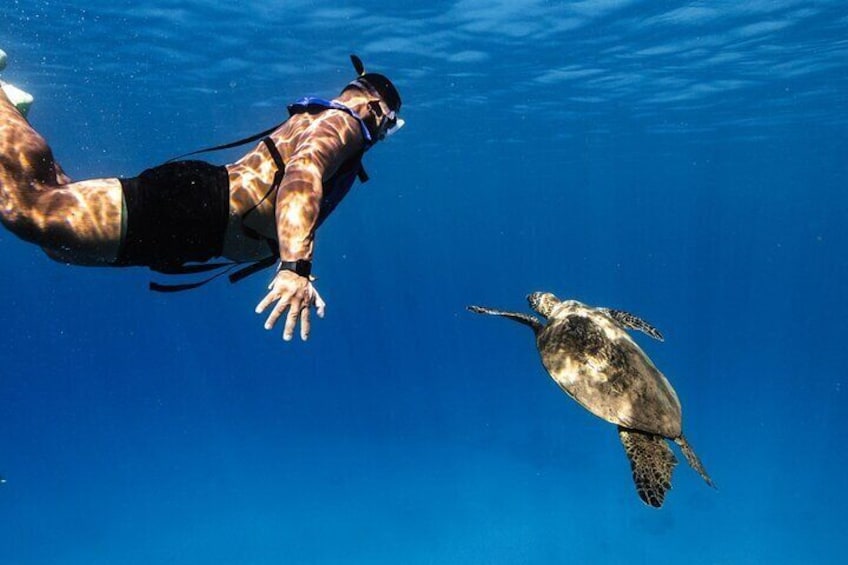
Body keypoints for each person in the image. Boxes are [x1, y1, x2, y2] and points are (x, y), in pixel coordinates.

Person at [0, 53, 403, 342]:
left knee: (60, 243)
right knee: (30, 212)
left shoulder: (327, 119)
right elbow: (303, 173)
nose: (382, 136)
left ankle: (12, 115)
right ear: (374, 106)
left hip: (199, 229)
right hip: (195, 209)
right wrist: (294, 266)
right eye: (388, 126)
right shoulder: (345, 123)